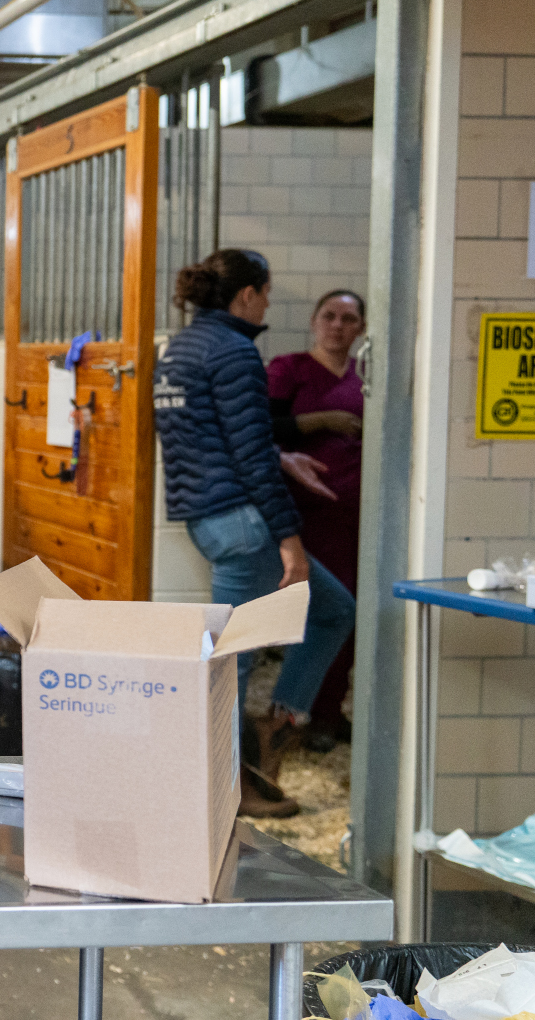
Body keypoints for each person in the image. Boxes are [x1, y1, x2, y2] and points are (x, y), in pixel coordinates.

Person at [153, 249, 355, 818]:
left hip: (205, 516)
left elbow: (214, 436)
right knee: (233, 659)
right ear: (246, 295)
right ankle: (226, 788)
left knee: (334, 611)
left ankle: (279, 724)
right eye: (265, 293)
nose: (267, 303)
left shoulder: (181, 348)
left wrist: (281, 454)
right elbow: (246, 456)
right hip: (243, 521)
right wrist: (289, 539)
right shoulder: (236, 351)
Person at [269, 289, 367, 753]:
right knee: (314, 614)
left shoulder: (366, 378)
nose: (337, 326)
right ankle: (294, 718)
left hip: (351, 516)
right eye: (329, 316)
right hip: (301, 516)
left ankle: (330, 710)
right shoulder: (288, 370)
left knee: (348, 614)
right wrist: (322, 420)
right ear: (313, 321)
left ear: (361, 329)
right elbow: (265, 428)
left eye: (349, 319)